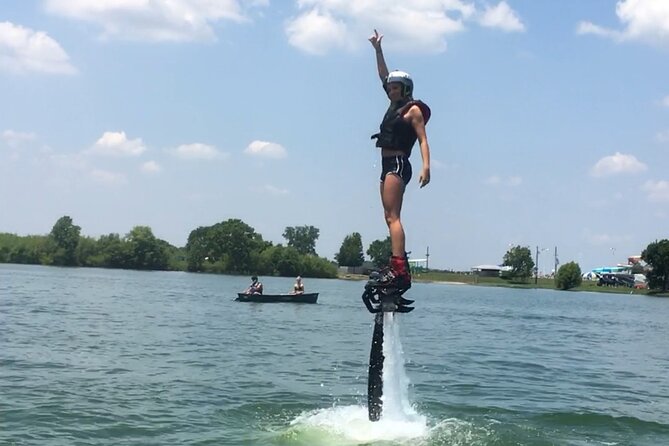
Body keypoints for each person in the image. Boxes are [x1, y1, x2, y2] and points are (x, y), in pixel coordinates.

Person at [367, 29, 432, 291]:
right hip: (386, 165)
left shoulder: (412, 109)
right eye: (390, 88)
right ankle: (395, 264)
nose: (391, 90)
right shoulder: (394, 105)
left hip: (398, 163)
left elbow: (423, 139)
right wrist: (378, 50)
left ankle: (399, 269)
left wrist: (427, 166)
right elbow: (384, 75)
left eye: (396, 87)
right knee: (388, 216)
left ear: (405, 89)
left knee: (394, 217)